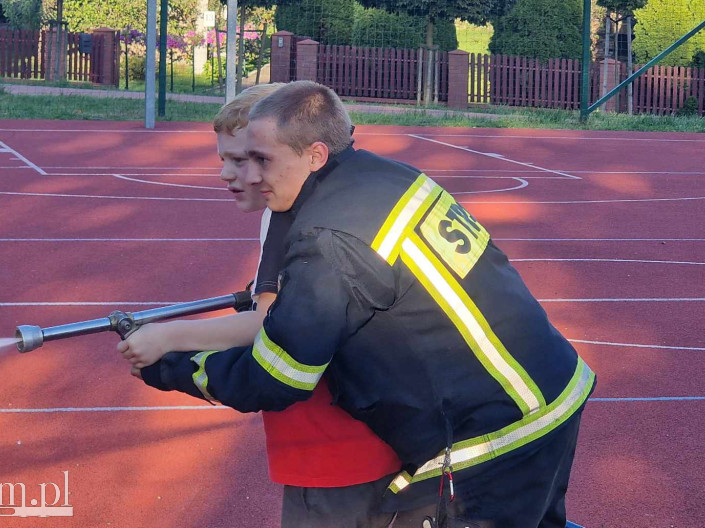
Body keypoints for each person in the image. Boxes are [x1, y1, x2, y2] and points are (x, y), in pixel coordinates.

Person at [168, 80, 596, 528]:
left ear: (312, 154)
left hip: (500, 429)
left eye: (258, 159)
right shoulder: (385, 176)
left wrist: (170, 358)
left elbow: (280, 374)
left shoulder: (324, 235)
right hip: (552, 388)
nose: (243, 174)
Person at [118, 83, 402, 527]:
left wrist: (167, 342)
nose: (234, 175)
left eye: (250, 159)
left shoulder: (291, 215)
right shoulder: (328, 199)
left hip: (332, 443)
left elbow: (267, 325)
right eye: (226, 160)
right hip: (375, 433)